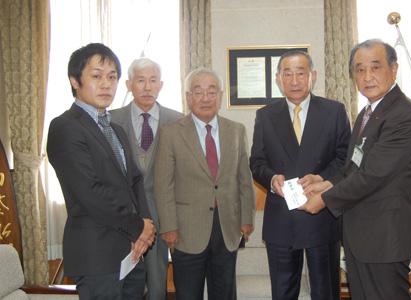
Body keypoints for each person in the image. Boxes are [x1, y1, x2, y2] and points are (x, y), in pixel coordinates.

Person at [300, 39, 411, 300]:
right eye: (359, 69)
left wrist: (323, 200)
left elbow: (373, 175)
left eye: (375, 67)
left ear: (394, 69)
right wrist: (325, 182)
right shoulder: (367, 113)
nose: (367, 76)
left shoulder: (404, 115)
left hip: (384, 238)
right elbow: (354, 167)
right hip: (361, 238)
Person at [47, 43, 156, 299]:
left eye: (112, 77)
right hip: (97, 255)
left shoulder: (115, 128)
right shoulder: (65, 127)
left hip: (132, 253)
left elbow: (135, 182)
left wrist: (147, 227)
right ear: (75, 81)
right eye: (96, 76)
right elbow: (90, 193)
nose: (106, 84)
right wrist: (138, 226)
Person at [249, 50, 351, 300]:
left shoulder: (334, 111)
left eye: (301, 73)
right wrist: (272, 180)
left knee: (325, 292)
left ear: (312, 76)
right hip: (281, 219)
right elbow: (257, 161)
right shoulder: (265, 115)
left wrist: (321, 180)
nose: (294, 80)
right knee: (283, 294)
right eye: (288, 74)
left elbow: (344, 159)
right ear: (278, 79)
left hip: (322, 216)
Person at [154, 67, 255, 300]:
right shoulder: (170, 133)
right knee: (188, 294)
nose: (205, 98)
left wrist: (247, 219)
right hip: (186, 230)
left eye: (212, 92)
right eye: (198, 92)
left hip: (227, 227)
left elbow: (244, 179)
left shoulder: (236, 131)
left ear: (220, 96)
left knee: (225, 293)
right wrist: (168, 226)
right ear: (188, 97)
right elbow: (163, 185)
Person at [110, 57, 183, 300]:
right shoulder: (110, 120)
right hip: (121, 217)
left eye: (153, 81)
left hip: (162, 215)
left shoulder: (178, 121)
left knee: (156, 282)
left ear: (161, 85)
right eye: (141, 80)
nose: (147, 87)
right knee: (121, 282)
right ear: (129, 84)